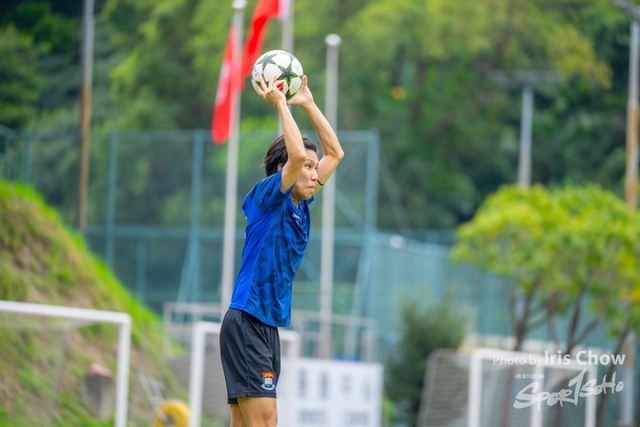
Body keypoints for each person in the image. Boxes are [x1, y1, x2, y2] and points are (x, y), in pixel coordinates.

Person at [219, 73, 344, 427]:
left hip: (267, 326)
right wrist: (279, 105)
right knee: (265, 424)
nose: (314, 174)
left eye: (314, 168)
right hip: (248, 320)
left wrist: (308, 102)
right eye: (308, 167)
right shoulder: (267, 198)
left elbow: (336, 153)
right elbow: (295, 157)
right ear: (282, 170)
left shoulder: (301, 204)